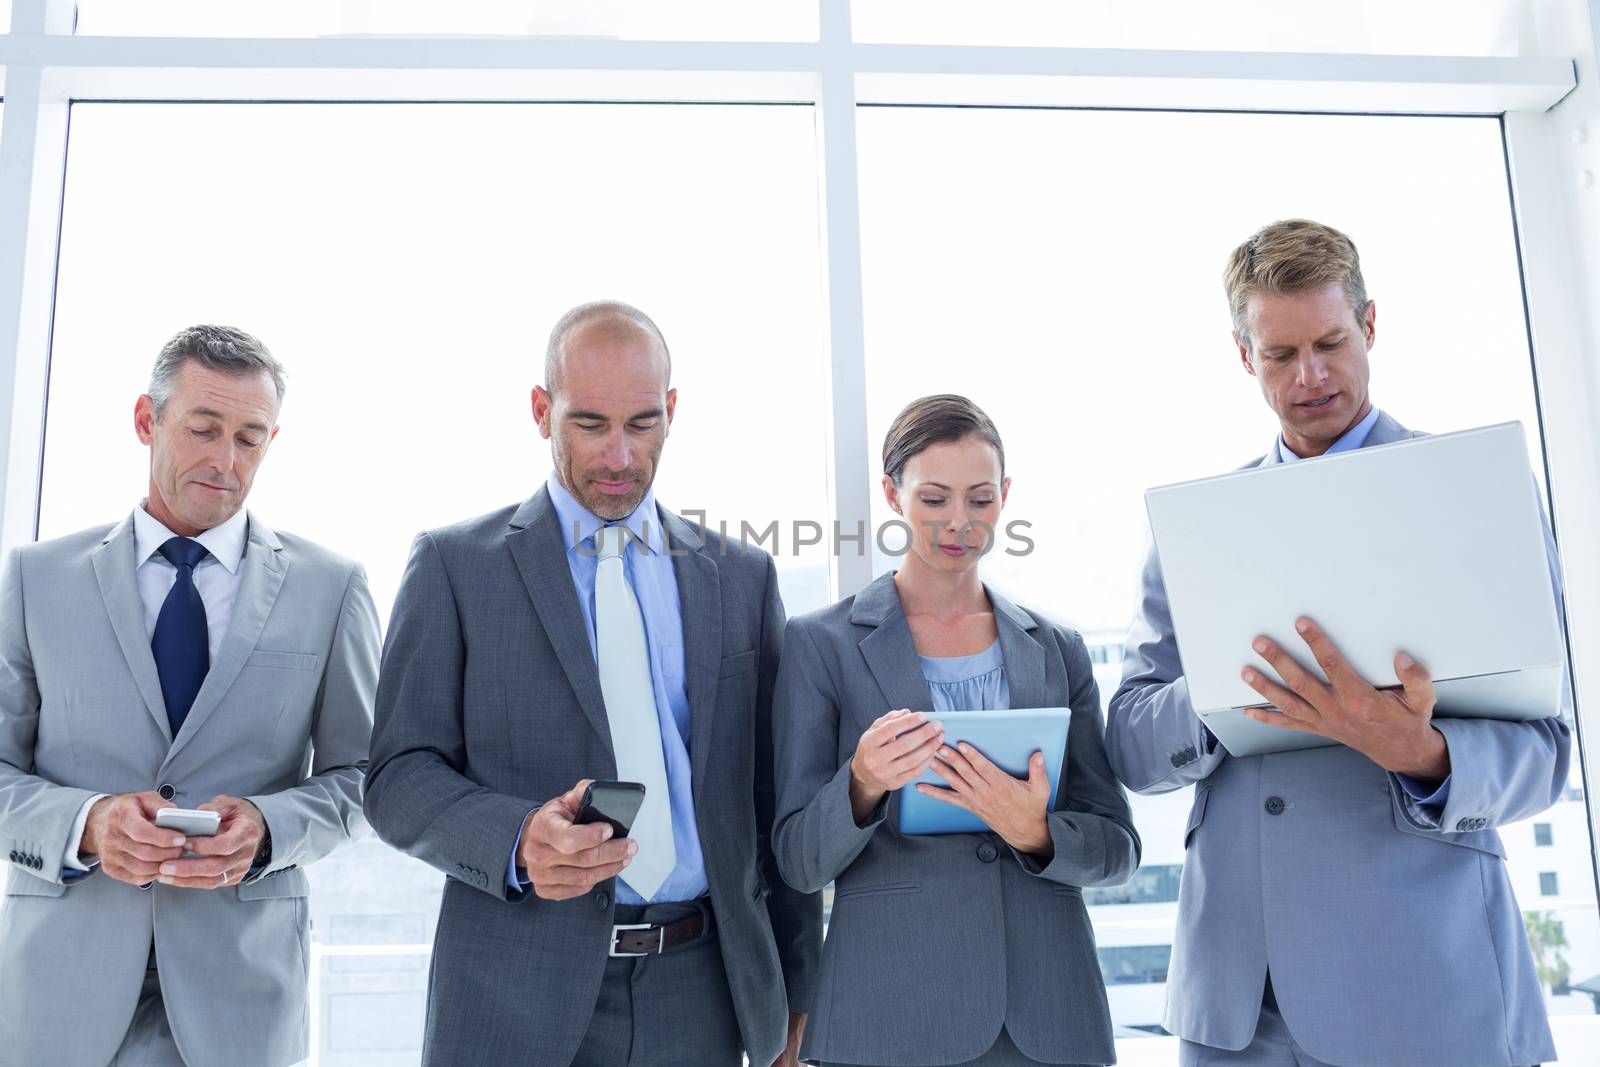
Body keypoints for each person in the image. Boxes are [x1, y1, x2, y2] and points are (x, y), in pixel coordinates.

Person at [1107, 219, 1571, 1067]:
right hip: (1240, 1007)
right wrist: (1224, 687)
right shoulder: (1198, 529)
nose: (1310, 375)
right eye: (1280, 354)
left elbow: (1547, 751)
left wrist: (1425, 752)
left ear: (1369, 326)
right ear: (1244, 357)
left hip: (1424, 983)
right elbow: (1133, 744)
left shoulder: (1474, 494)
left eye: (1329, 341)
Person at [364, 300, 820, 1067]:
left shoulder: (741, 577)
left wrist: (802, 987)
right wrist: (516, 839)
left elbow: (779, 797)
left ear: (672, 412)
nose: (618, 455)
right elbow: (397, 778)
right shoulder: (456, 566)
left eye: (642, 424)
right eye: (590, 424)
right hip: (514, 992)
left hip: (705, 991)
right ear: (542, 412)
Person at [0, 325, 380, 1067]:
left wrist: (267, 828)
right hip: (58, 994)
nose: (225, 460)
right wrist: (87, 822)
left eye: (250, 437)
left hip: (240, 995)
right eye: (204, 429)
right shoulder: (35, 578)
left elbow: (366, 778)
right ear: (147, 420)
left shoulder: (331, 587)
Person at [772, 394, 1139, 1067]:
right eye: (934, 498)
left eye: (980, 499)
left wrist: (1036, 831)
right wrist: (861, 783)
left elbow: (1118, 845)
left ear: (1005, 496)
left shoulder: (1057, 648)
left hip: (1047, 1019)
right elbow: (796, 860)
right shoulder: (820, 644)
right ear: (892, 493)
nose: (959, 522)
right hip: (888, 1016)